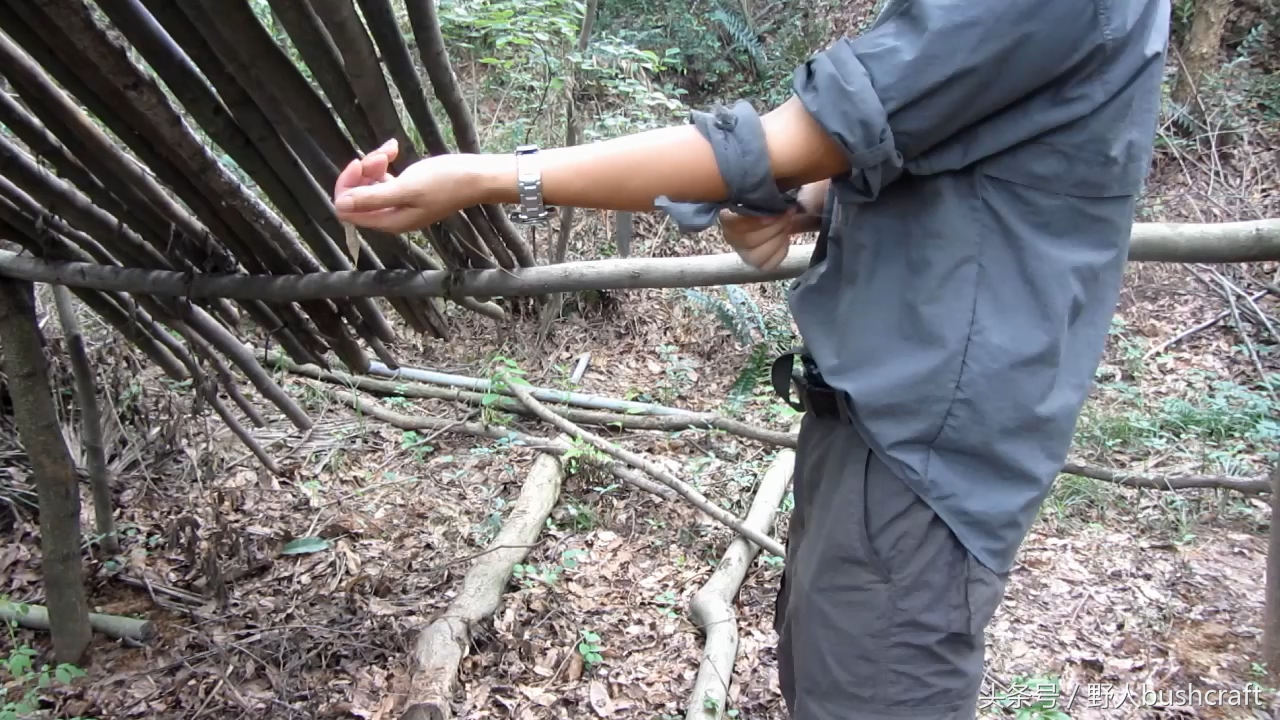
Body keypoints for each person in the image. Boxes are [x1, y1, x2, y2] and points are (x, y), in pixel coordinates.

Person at [334, 0, 1171, 716]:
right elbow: (958, 148)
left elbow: (789, 138)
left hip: (925, 452)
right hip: (887, 424)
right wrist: (809, 197)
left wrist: (491, 176)